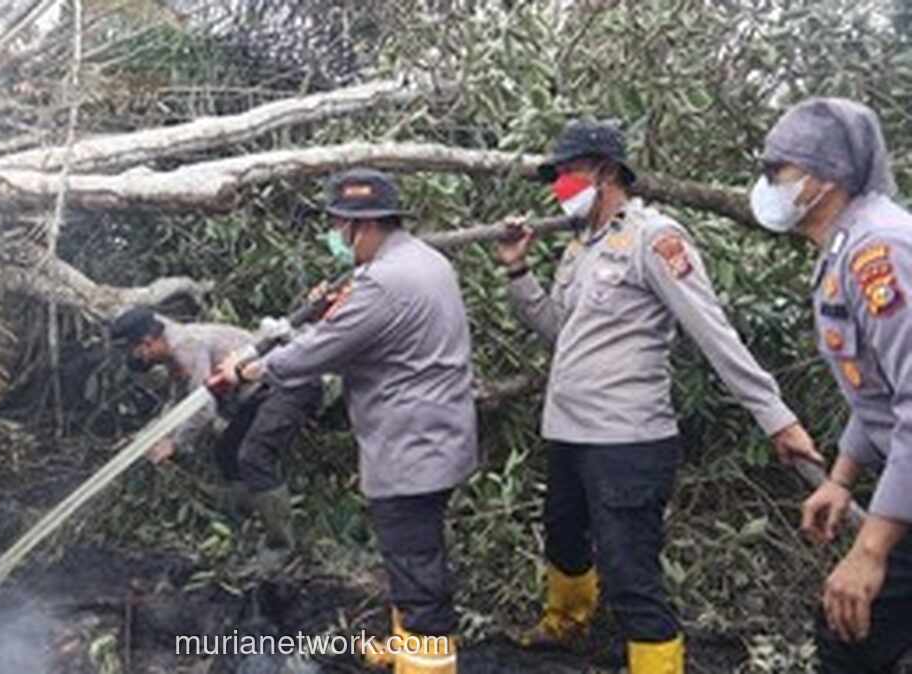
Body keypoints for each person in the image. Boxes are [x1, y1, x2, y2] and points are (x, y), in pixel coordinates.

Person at [494, 120, 821, 673]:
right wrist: (518, 271)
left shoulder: (654, 237)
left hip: (628, 440)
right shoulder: (580, 247)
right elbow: (560, 330)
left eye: (568, 173)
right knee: (564, 539)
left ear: (605, 171)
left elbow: (713, 331)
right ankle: (568, 625)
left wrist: (776, 417)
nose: (559, 187)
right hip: (570, 432)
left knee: (629, 574)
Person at [219, 167, 479, 674]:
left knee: (419, 579)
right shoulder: (423, 259)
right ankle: (410, 652)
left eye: (339, 226)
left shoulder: (385, 281)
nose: (336, 236)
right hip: (437, 436)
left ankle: (426, 664)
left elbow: (319, 352)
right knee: (412, 562)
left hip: (411, 449)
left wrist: (250, 367)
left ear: (364, 226)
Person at [750, 97, 912, 674]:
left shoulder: (880, 252)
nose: (766, 185)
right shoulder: (848, 248)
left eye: (778, 172)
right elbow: (878, 393)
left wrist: (870, 551)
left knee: (851, 631)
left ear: (825, 179)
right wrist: (841, 479)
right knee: (850, 636)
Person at [107, 307, 322, 564]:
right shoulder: (171, 349)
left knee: (253, 456)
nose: (136, 359)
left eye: (134, 352)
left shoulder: (186, 346)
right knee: (226, 452)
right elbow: (179, 402)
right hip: (260, 391)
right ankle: (250, 524)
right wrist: (148, 436)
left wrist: (175, 443)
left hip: (289, 384)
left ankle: (281, 548)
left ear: (147, 343)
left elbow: (203, 409)